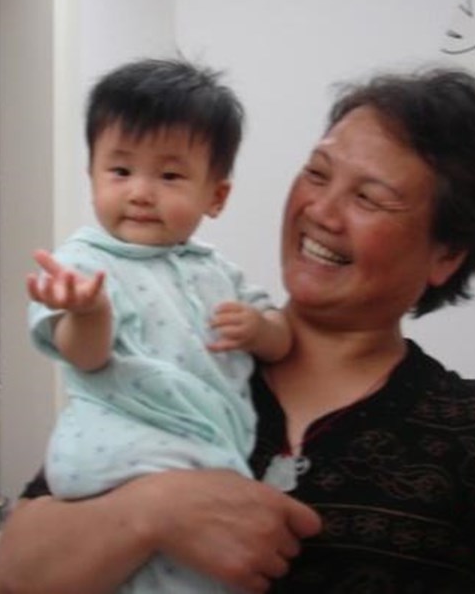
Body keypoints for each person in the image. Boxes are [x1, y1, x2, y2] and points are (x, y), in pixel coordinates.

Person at [0, 67, 475, 594]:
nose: (321, 212)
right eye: (317, 173)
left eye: (370, 197)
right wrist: (151, 511)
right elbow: (16, 571)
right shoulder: (187, 349)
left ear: (445, 254)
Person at [25, 58, 293, 592]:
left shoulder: (217, 270)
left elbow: (281, 339)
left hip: (204, 446)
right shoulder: (84, 264)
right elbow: (85, 356)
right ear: (92, 177)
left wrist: (260, 330)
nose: (141, 192)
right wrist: (88, 313)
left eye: (169, 176)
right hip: (125, 446)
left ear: (215, 196)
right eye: (120, 171)